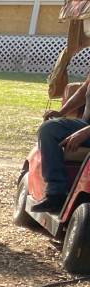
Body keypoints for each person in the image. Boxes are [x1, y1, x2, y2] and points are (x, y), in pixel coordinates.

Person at [34, 80, 90, 213]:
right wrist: (62, 112)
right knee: (49, 129)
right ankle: (56, 194)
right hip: (85, 125)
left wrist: (86, 132)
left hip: (87, 130)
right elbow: (83, 91)